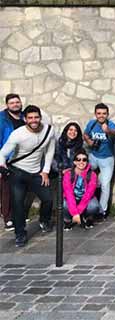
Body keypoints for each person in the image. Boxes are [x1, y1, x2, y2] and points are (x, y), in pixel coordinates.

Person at [0, 105, 55, 247]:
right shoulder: (18, 134)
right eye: (30, 118)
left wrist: (46, 171)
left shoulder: (49, 130)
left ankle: (44, 220)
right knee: (18, 204)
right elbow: (3, 153)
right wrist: (3, 165)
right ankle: (20, 234)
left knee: (48, 199)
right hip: (18, 171)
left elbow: (50, 150)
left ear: (40, 118)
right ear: (25, 119)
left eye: (36, 117)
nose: (33, 120)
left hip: (36, 172)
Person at [83, 103, 115, 220]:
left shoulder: (111, 125)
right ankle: (83, 206)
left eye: (104, 113)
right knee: (84, 178)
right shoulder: (92, 123)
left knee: (105, 185)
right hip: (93, 156)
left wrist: (107, 131)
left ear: (107, 114)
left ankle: (102, 211)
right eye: (99, 113)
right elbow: (85, 134)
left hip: (107, 159)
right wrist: (89, 141)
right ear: (95, 114)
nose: (101, 116)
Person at [0, 94, 25, 231]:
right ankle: (8, 218)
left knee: (21, 187)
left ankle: (19, 214)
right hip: (7, 158)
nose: (15, 104)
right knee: (7, 189)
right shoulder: (2, 119)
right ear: (7, 105)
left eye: (17, 102)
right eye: (12, 103)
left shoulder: (24, 117)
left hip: (22, 158)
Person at [62, 148, 100, 230]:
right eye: (78, 159)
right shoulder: (68, 174)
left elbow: (88, 194)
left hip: (85, 199)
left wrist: (77, 212)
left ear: (87, 162)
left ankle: (87, 218)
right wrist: (75, 213)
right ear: (74, 162)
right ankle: (68, 220)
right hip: (72, 199)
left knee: (94, 206)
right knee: (64, 204)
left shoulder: (92, 175)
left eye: (84, 160)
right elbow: (69, 194)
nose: (81, 162)